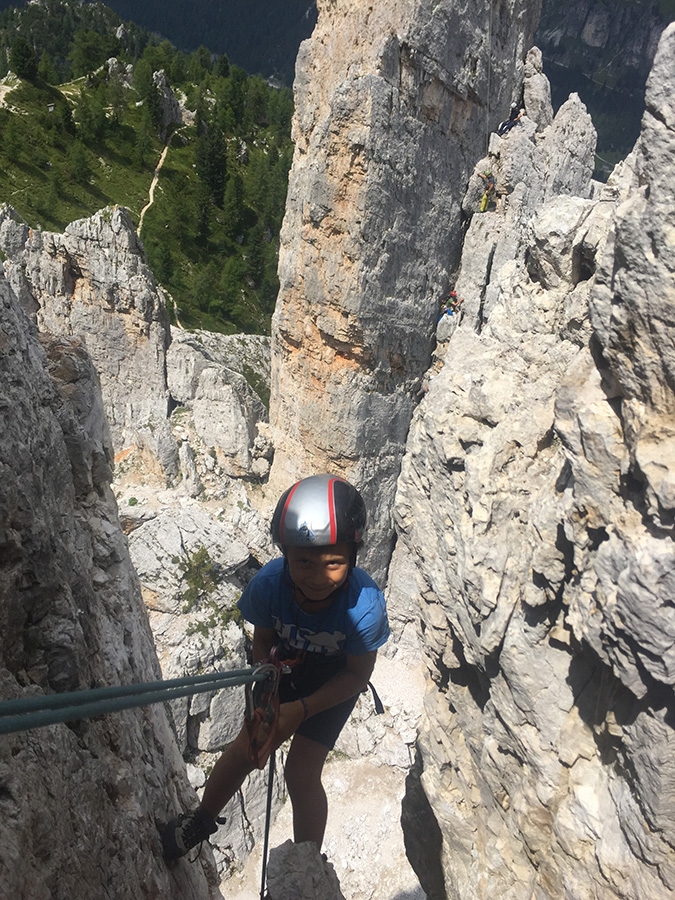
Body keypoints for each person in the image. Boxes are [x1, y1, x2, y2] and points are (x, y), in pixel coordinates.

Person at [162, 473, 390, 860]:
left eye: (334, 562)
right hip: (283, 671)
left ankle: (306, 863)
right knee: (248, 749)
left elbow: (357, 675)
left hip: (335, 685)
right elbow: (263, 639)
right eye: (303, 561)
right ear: (285, 553)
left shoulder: (364, 605)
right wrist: (266, 682)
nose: (318, 577)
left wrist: (300, 710)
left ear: (354, 555)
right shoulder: (269, 585)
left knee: (300, 773)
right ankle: (200, 822)